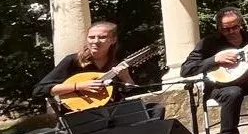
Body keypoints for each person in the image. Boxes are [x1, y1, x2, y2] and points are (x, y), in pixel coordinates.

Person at [33, 21, 165, 119]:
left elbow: (130, 94)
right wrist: (79, 86)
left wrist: (126, 78)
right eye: (91, 37)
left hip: (113, 110)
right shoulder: (73, 61)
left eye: (102, 37)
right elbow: (39, 90)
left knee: (156, 109)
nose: (95, 41)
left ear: (113, 40)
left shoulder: (117, 62)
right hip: (81, 113)